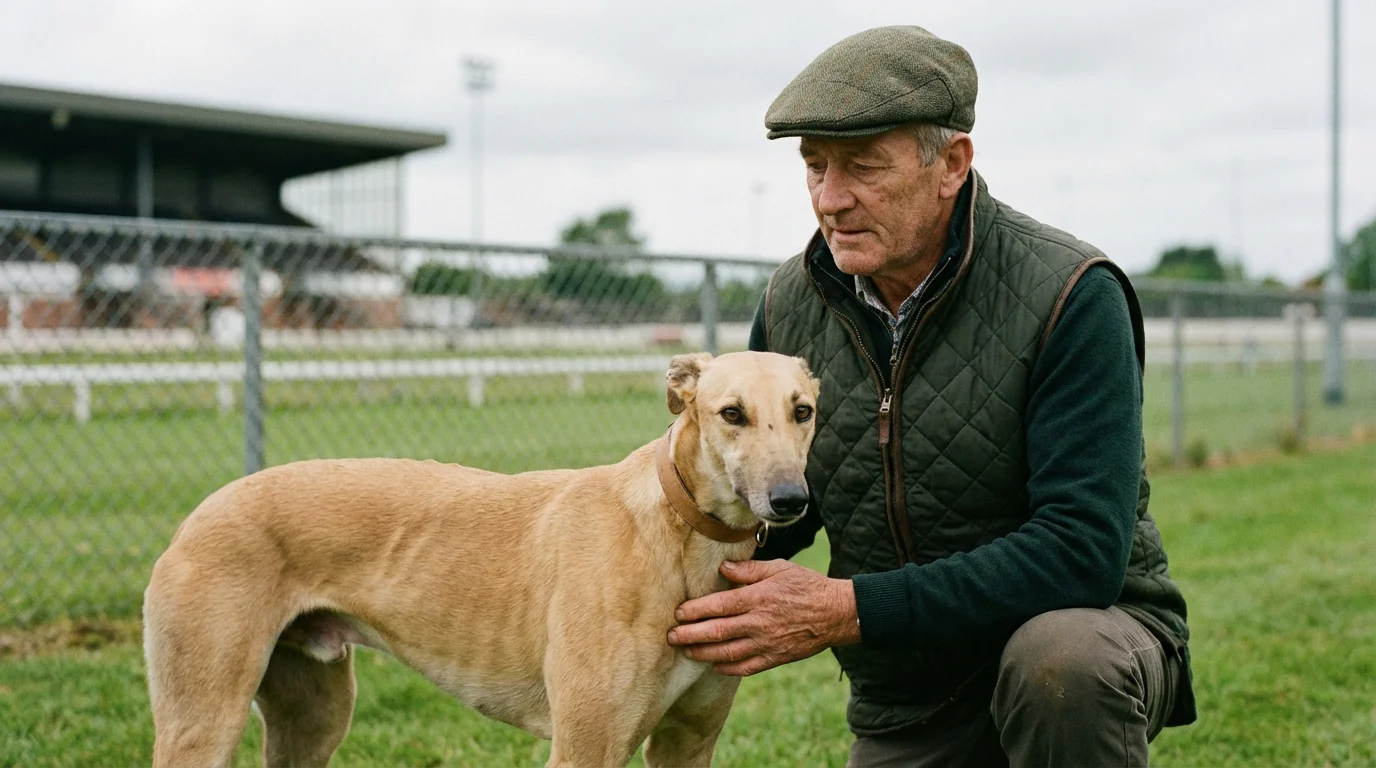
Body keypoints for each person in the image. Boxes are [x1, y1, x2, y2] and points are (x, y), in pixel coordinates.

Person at [665, 25, 1194, 766]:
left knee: (1061, 662)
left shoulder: (1071, 295)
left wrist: (848, 609)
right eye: (814, 167)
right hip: (908, 695)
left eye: (862, 167)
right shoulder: (791, 302)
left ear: (952, 164)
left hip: (1083, 643)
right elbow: (773, 512)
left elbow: (1081, 552)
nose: (831, 198)